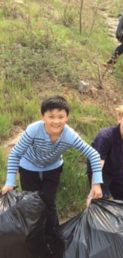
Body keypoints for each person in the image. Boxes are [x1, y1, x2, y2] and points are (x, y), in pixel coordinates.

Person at [1, 96, 103, 258]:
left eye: (61, 117)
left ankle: (55, 243)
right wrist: (10, 182)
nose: (56, 121)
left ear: (67, 117)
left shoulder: (69, 135)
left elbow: (93, 155)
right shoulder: (34, 130)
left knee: (49, 203)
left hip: (52, 169)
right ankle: (34, 242)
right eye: (51, 117)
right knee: (32, 205)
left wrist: (96, 184)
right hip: (29, 167)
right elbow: (15, 154)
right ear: (43, 117)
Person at [87, 104, 123, 200]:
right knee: (98, 198)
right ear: (120, 119)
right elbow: (99, 163)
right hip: (100, 170)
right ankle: (90, 209)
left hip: (117, 170)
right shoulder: (106, 136)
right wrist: (96, 185)